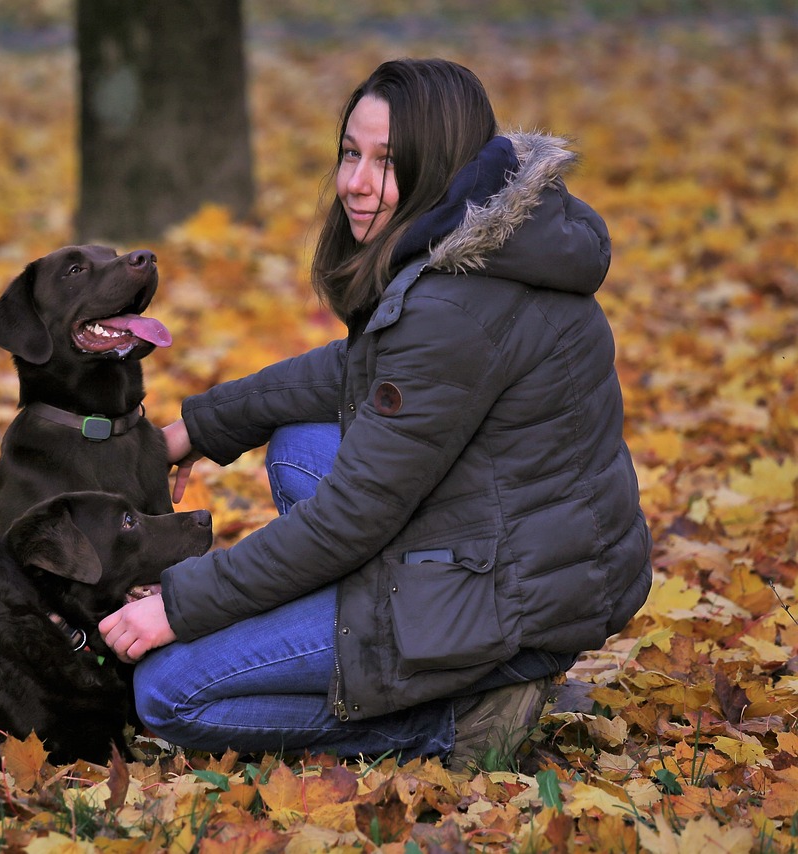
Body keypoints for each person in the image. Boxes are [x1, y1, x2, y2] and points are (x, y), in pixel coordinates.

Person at [98, 57, 652, 770]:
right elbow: (357, 371)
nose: (356, 184)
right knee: (298, 447)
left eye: (387, 163)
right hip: (533, 552)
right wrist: (200, 428)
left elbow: (349, 521)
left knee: (170, 691)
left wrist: (177, 605)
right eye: (350, 154)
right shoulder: (495, 243)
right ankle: (390, 657)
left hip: (509, 596)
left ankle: (456, 722)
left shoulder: (453, 309)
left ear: (442, 164)